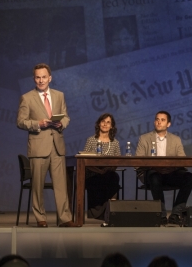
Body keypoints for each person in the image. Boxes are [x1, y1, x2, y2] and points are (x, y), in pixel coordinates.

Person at [16, 63, 79, 227]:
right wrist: (38, 124)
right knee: (37, 185)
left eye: (44, 77)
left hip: (57, 145)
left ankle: (64, 218)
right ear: (34, 79)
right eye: (38, 77)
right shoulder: (27, 97)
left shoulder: (59, 95)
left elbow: (66, 117)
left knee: (61, 185)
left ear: (50, 78)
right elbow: (20, 122)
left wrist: (61, 124)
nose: (41, 80)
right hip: (38, 146)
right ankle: (40, 217)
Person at [135, 111, 192, 225]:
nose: (159, 122)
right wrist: (156, 167)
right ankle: (161, 214)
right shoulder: (144, 138)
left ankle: (176, 213)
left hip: (170, 173)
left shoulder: (175, 139)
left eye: (162, 120)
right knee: (155, 176)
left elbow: (183, 161)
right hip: (152, 173)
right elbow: (138, 160)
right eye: (157, 119)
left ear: (168, 124)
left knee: (189, 177)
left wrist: (171, 168)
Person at [82, 113, 121, 220]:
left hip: (108, 173)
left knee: (114, 177)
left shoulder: (115, 143)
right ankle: (96, 213)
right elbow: (84, 159)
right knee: (97, 179)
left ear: (112, 126)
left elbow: (118, 161)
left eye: (108, 122)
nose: (105, 124)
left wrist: (106, 170)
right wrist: (98, 171)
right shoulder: (91, 140)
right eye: (103, 121)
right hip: (93, 173)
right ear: (99, 124)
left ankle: (111, 212)